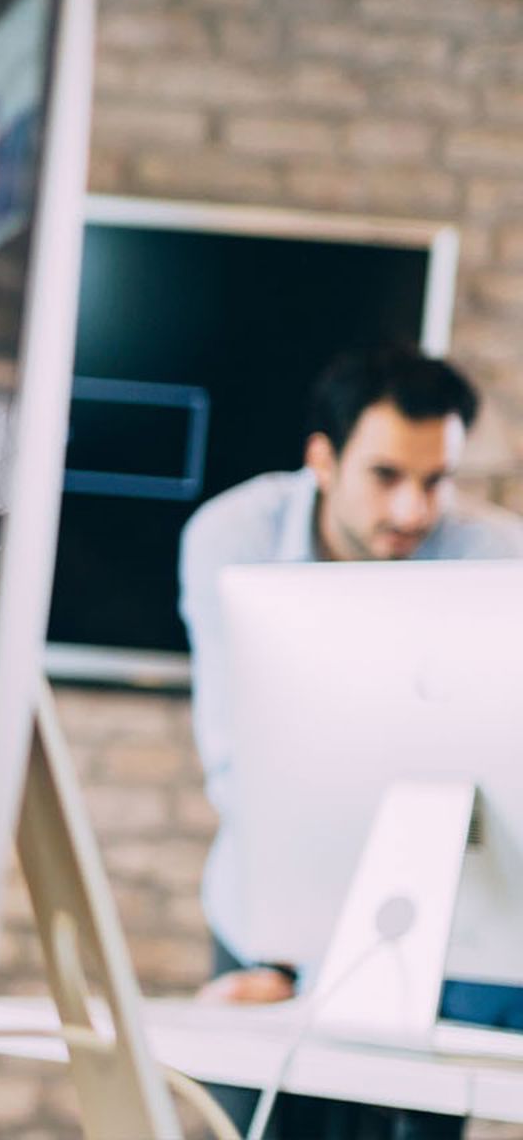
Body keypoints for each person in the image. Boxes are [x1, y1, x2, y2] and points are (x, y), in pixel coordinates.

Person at [180, 346, 523, 1139]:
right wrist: (300, 948)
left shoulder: (498, 561)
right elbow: (239, 764)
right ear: (323, 461)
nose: (412, 511)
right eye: (386, 476)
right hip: (276, 922)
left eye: (435, 481)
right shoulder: (234, 537)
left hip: (439, 941)